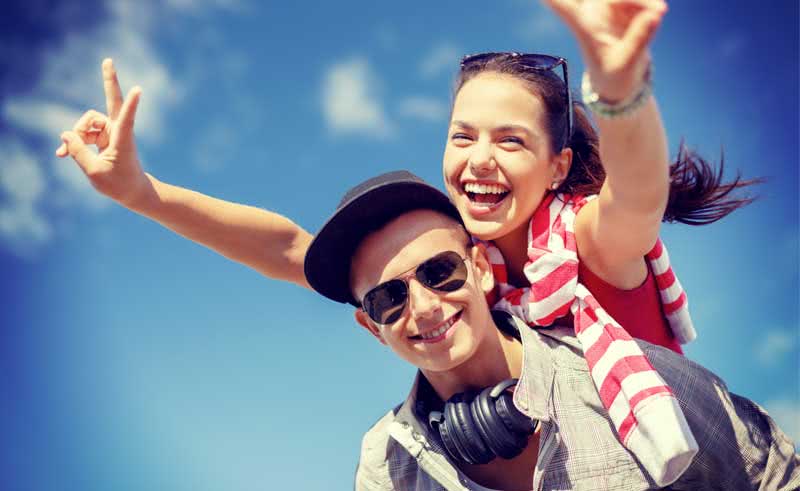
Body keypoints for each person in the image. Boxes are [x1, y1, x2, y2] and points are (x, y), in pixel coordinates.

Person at [55, 0, 758, 481]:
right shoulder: (450, 250)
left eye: (511, 141)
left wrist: (622, 84)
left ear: (557, 166)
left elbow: (636, 194)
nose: (480, 159)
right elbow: (288, 249)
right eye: (463, 136)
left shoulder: (584, 239)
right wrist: (142, 194)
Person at [301, 170, 798, 491]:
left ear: (480, 268)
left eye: (439, 271)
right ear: (371, 326)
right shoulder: (386, 464)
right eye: (388, 298)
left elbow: (772, 474)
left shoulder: (625, 379)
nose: (426, 307)